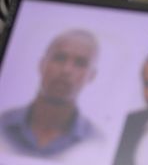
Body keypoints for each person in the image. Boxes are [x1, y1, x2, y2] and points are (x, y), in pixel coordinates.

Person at [0, 30, 101, 159]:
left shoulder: (96, 143)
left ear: (91, 76)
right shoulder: (2, 124)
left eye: (80, 63)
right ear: (42, 64)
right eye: (60, 58)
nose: (66, 70)